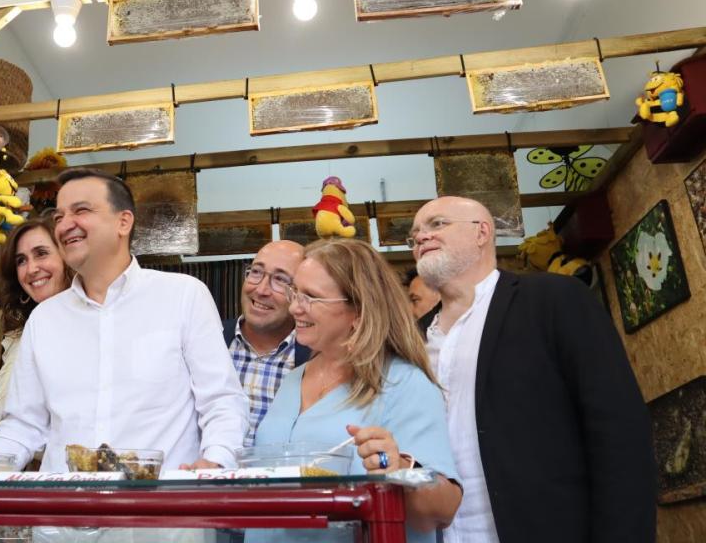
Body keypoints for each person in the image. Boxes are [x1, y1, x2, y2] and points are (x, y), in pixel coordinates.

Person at [409, 196, 656, 543]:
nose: (421, 237)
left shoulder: (555, 300)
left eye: (437, 224)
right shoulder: (411, 341)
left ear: (482, 232)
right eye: (415, 233)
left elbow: (619, 432)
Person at [0, 167, 248, 472]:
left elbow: (222, 401)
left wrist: (215, 460)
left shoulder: (183, 296)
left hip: (159, 511)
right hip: (64, 513)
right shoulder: (44, 319)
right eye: (58, 217)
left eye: (80, 210)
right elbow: (23, 425)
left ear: (123, 222)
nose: (65, 225)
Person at [253, 239, 461, 543]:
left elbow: (444, 510)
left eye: (311, 296)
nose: (294, 306)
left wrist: (401, 469)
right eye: (295, 291)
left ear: (358, 313)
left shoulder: (404, 384)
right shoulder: (293, 380)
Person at [223, 240, 312, 446]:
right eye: (256, 272)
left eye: (280, 280)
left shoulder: (316, 356)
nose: (261, 290)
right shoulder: (208, 340)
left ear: (301, 293)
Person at [0, 216, 72, 420]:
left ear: (67, 258)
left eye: (41, 253)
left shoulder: (92, 326)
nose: (31, 269)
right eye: (21, 261)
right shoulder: (20, 337)